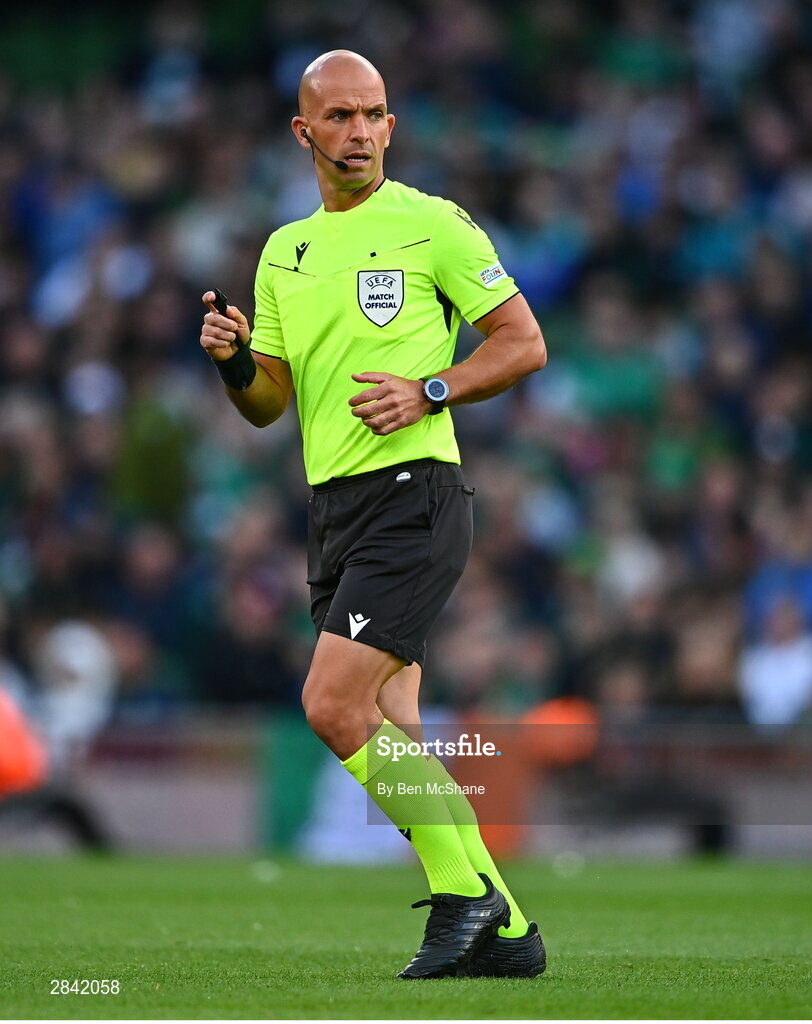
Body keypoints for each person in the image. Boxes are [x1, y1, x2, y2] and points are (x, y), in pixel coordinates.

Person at [200, 50, 547, 980]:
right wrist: (235, 358)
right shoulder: (285, 251)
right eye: (340, 116)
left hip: (414, 496)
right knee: (392, 721)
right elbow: (269, 403)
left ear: (391, 128)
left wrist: (431, 386)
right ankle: (507, 931)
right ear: (303, 131)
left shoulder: (432, 225)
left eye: (374, 114)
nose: (359, 131)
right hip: (336, 507)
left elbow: (523, 343)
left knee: (330, 703)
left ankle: (462, 898)